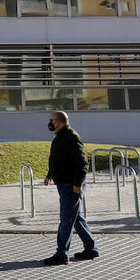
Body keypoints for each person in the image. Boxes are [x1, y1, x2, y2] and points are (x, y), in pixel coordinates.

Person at [43, 111, 98, 265]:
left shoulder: (72, 138)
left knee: (66, 220)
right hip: (64, 183)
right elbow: (58, 160)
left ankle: (61, 254)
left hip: (71, 185)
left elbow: (82, 163)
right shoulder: (60, 137)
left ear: (60, 121)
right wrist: (49, 175)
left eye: (52, 120)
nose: (50, 123)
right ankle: (91, 248)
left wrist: (78, 183)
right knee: (77, 219)